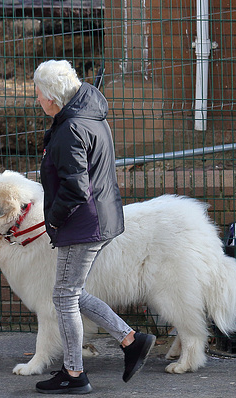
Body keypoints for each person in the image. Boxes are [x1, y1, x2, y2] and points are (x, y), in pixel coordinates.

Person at [33, 59, 156, 394]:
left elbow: (75, 187)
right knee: (72, 292)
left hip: (82, 223)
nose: (37, 100)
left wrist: (53, 221)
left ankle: (74, 374)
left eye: (39, 94)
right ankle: (131, 340)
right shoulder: (88, 115)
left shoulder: (72, 127)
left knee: (64, 295)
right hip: (97, 218)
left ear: (53, 98)